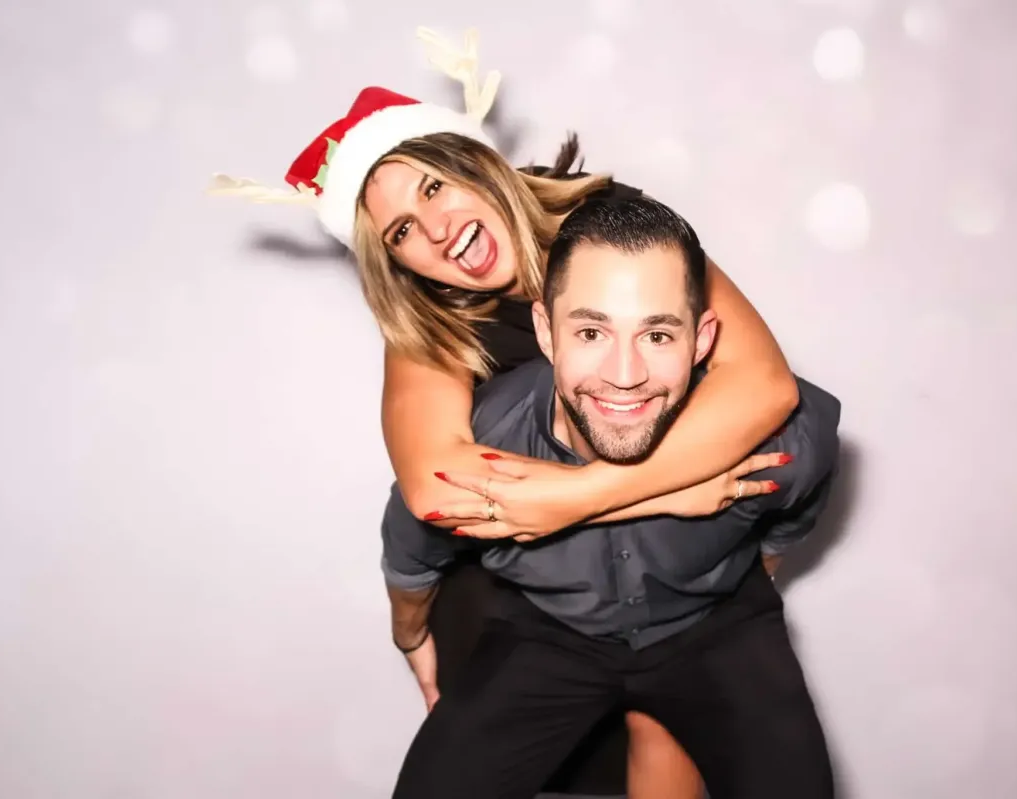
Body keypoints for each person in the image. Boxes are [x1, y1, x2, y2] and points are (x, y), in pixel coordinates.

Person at [210, 26, 810, 798]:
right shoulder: (433, 323)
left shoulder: (615, 225)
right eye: (401, 231)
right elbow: (435, 489)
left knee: (675, 706)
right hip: (526, 589)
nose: (434, 230)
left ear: (475, 162)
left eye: (433, 187)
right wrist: (663, 489)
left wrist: (584, 494)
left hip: (665, 574)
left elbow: (765, 386)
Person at [383, 193, 841, 799]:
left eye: (657, 334)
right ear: (546, 333)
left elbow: (797, 503)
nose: (624, 375)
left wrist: (753, 576)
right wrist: (410, 634)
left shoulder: (780, 440)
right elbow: (411, 555)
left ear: (702, 340)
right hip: (546, 632)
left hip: (717, 624)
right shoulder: (480, 444)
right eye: (592, 331)